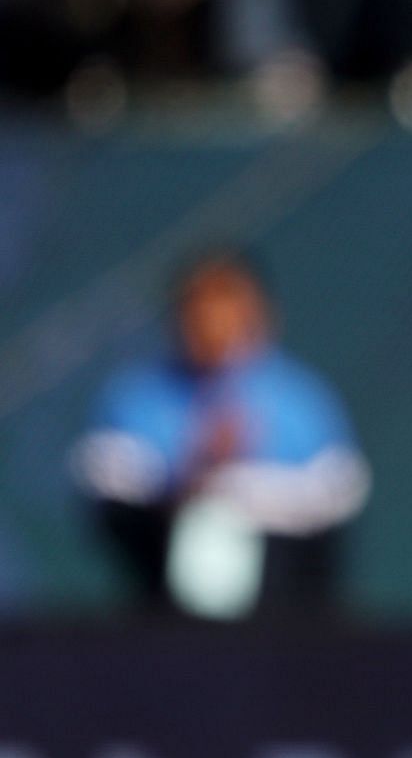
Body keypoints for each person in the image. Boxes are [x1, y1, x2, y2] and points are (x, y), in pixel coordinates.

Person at [71, 250, 369, 620]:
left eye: (228, 302)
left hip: (284, 619)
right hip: (166, 619)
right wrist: (196, 472)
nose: (213, 321)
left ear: (260, 314)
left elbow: (334, 503)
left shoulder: (304, 402)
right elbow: (115, 508)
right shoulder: (134, 400)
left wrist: (247, 494)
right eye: (199, 306)